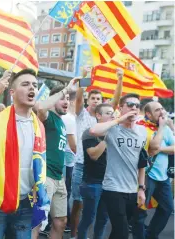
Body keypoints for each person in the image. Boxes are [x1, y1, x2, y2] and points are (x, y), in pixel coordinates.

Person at [0, 69, 40, 239]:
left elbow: (37, 161)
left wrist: (38, 186)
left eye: (35, 85)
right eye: (26, 84)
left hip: (24, 203)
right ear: (12, 92)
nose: (32, 88)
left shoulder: (38, 126)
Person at [69, 68, 123, 239]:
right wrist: (83, 78)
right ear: (88, 100)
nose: (95, 101)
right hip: (80, 165)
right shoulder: (82, 114)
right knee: (78, 203)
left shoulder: (106, 118)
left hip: (103, 171)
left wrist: (119, 79)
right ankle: (74, 233)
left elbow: (115, 101)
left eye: (98, 99)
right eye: (92, 98)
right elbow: (78, 97)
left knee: (99, 213)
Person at [89, 93, 149, 239]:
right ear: (121, 108)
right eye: (129, 104)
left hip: (132, 189)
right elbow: (93, 130)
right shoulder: (112, 129)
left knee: (118, 231)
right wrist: (119, 119)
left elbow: (142, 162)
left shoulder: (142, 132)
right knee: (122, 231)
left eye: (137, 105)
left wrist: (141, 189)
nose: (134, 107)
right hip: (113, 188)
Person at [35, 77, 80, 239]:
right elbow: (40, 106)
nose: (66, 101)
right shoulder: (47, 117)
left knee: (61, 222)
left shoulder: (62, 122)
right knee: (37, 222)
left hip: (59, 178)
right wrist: (65, 89)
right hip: (45, 176)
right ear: (52, 100)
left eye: (68, 98)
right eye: (62, 98)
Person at [132, 101, 174, 239]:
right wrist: (162, 127)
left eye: (162, 108)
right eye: (157, 110)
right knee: (140, 213)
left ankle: (150, 235)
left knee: (167, 209)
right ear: (148, 114)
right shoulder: (141, 127)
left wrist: (160, 149)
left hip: (162, 178)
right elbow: (153, 148)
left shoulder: (166, 128)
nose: (162, 112)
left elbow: (171, 148)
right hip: (146, 176)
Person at [77, 103, 113, 239]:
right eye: (108, 113)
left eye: (113, 113)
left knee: (103, 219)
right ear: (98, 115)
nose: (112, 116)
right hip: (93, 182)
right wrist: (107, 137)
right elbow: (94, 155)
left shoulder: (115, 132)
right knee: (88, 219)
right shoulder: (90, 132)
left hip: (109, 183)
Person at [61, 92, 77, 233]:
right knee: (66, 190)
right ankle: (65, 221)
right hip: (68, 158)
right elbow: (73, 144)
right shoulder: (69, 118)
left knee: (66, 190)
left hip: (69, 158)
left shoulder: (72, 117)